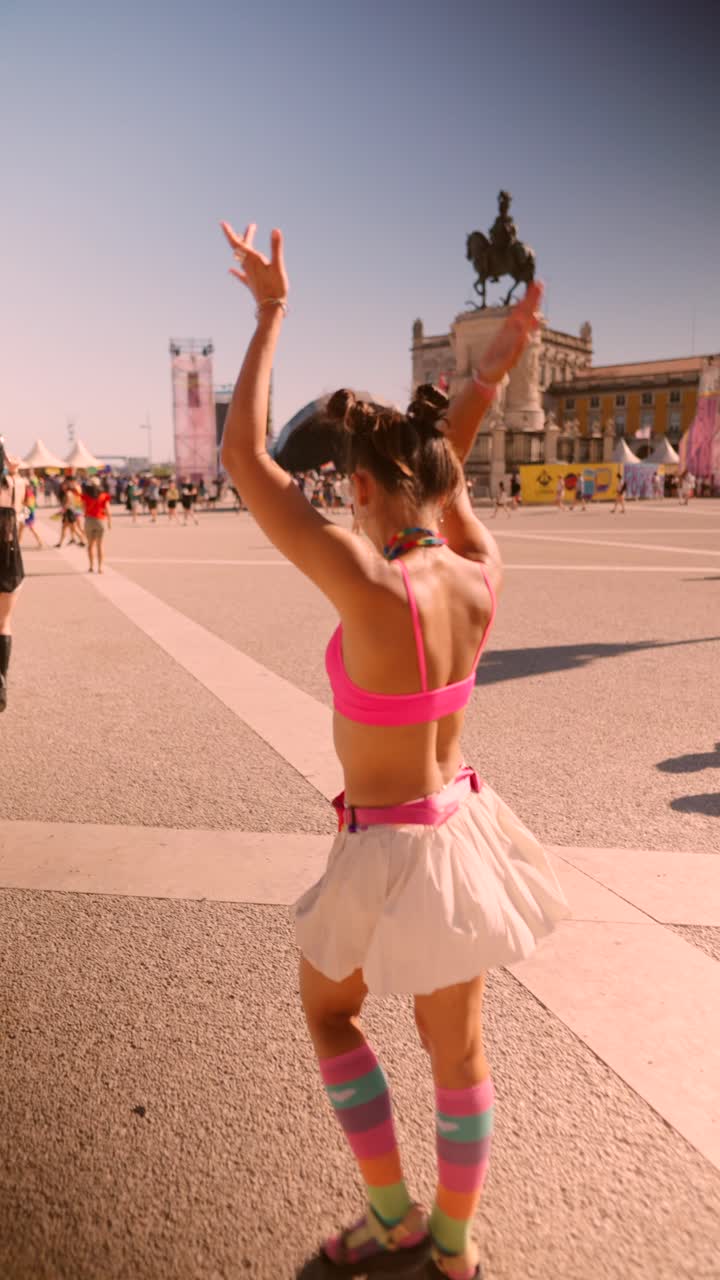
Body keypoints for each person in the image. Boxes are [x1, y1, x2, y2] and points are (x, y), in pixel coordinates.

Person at [220, 220, 567, 1280]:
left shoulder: (370, 589)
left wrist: (272, 310)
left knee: (331, 1011)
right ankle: (453, 1248)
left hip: (381, 849)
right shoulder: (481, 568)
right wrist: (492, 372)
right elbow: (444, 469)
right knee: (458, 1053)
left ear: (360, 490)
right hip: (459, 834)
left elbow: (244, 459)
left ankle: (389, 1214)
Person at [0, 447, 27, 711]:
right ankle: (1, 682)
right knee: (4, 623)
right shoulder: (17, 485)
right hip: (10, 561)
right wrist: (14, 471)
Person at [80, 477, 112, 572]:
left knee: (90, 545)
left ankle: (91, 566)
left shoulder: (85, 496)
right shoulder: (104, 495)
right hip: (100, 521)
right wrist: (109, 522)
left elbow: (83, 509)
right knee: (100, 545)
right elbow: (108, 510)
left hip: (89, 520)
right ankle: (100, 567)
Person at [18, 470, 45, 549]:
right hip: (26, 511)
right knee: (21, 529)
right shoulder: (29, 491)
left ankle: (40, 541)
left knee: (29, 528)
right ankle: (18, 544)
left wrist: (21, 503)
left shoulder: (27, 492)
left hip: (27, 511)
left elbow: (28, 504)